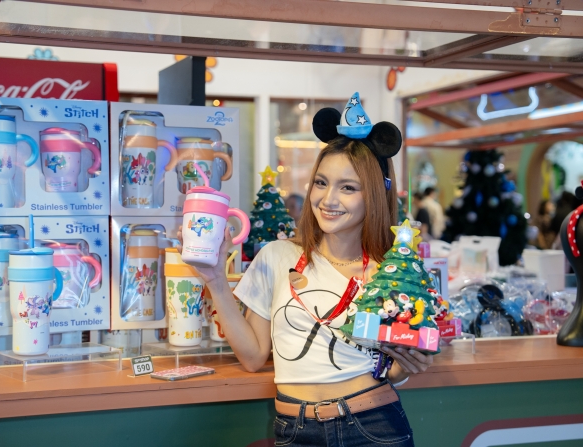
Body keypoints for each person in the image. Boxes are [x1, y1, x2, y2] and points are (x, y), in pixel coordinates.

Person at [179, 95, 432, 446]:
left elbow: (395, 365)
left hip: (373, 426)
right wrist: (215, 279)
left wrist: (408, 364)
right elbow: (253, 356)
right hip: (295, 430)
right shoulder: (276, 256)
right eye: (321, 182)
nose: (328, 200)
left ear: (373, 194)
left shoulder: (391, 272)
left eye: (348, 187)